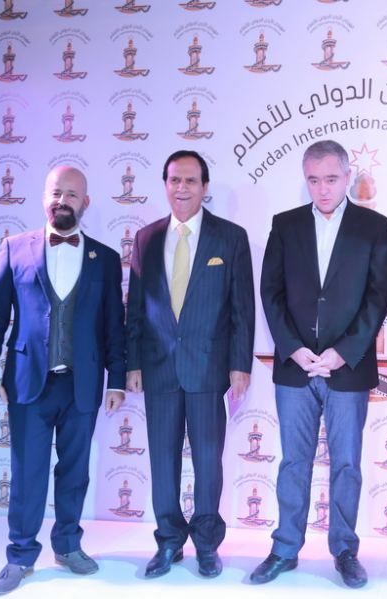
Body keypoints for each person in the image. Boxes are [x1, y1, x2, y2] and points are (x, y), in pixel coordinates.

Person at [0, 166, 126, 596]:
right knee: (27, 473)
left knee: (75, 472)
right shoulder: (13, 249)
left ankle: (68, 545)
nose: (63, 200)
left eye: (72, 194)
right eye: (56, 193)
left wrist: (116, 380)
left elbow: (114, 326)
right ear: (44, 198)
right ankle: (20, 556)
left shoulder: (105, 259)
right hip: (28, 384)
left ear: (86, 202)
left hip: (82, 385)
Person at [251, 139, 387, 589]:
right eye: (313, 180)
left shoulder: (374, 227)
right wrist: (292, 347)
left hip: (347, 368)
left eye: (331, 179)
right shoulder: (285, 224)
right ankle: (284, 548)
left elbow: (378, 297)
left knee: (347, 463)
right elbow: (270, 292)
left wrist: (343, 351)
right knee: (294, 462)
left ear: (348, 177)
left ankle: (345, 550)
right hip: (295, 368)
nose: (323, 189)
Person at [125, 150, 255, 579]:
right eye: (174, 180)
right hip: (158, 367)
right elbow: (135, 308)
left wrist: (240, 365)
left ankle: (206, 543)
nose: (182, 188)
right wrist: (132, 363)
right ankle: (168, 541)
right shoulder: (145, 238)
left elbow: (242, 309)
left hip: (208, 368)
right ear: (165, 184)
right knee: (162, 462)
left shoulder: (230, 238)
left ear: (205, 187)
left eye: (191, 181)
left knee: (208, 461)